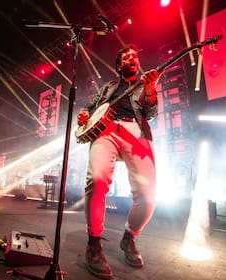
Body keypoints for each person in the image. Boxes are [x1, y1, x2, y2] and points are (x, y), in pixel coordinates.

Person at [76, 44, 160, 279]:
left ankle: (130, 237)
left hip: (136, 131)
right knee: (98, 179)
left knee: (148, 194)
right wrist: (84, 115)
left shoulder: (145, 84)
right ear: (119, 64)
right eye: (127, 56)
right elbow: (90, 108)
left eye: (136, 55)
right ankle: (93, 244)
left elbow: (151, 113)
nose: (133, 58)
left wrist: (151, 89)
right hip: (106, 131)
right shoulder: (108, 87)